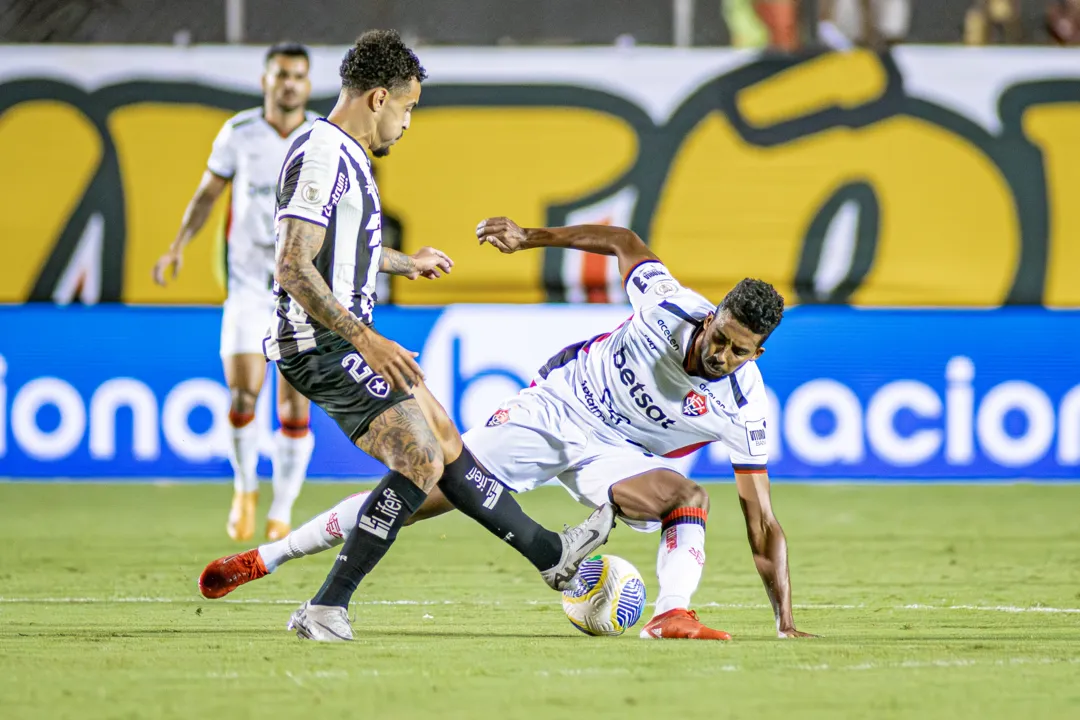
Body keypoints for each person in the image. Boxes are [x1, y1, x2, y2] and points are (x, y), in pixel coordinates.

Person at [201, 218, 815, 641]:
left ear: (757, 354)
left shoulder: (745, 406)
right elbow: (624, 240)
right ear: (711, 317)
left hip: (618, 456)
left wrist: (784, 617)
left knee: (689, 497)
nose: (721, 356)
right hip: (553, 410)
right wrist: (530, 239)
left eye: (739, 352)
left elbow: (762, 524)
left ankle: (672, 613)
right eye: (720, 339)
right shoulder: (668, 304)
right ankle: (266, 557)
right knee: (415, 492)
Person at [255, 31, 614, 642]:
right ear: (377, 99)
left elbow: (345, 254)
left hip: (342, 336)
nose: (407, 122)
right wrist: (365, 340)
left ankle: (552, 553)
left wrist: (403, 262)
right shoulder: (322, 152)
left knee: (444, 441)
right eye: (408, 107)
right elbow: (292, 265)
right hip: (317, 342)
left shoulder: (344, 155)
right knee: (419, 457)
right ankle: (325, 608)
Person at [153, 42, 319, 542]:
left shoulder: (321, 138)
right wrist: (177, 246)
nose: (289, 83)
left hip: (302, 290)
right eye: (281, 74)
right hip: (248, 287)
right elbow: (207, 195)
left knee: (294, 407)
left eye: (298, 76)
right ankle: (245, 488)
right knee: (244, 392)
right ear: (266, 80)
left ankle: (282, 508)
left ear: (307, 84)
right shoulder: (239, 133)